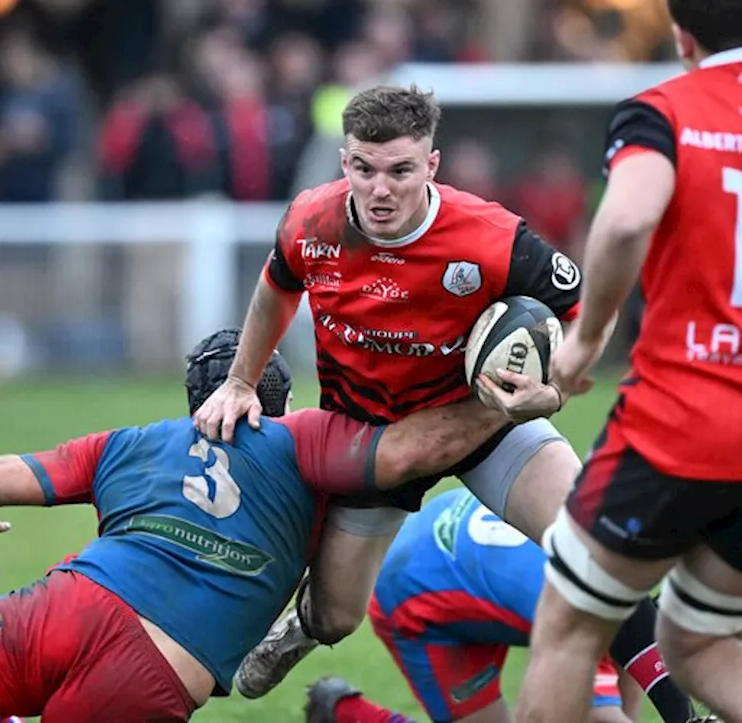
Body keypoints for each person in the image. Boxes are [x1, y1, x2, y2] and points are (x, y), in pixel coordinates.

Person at [0, 328, 563, 723]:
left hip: (59, 606)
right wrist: (513, 404)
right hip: (151, 666)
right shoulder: (308, 446)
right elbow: (407, 455)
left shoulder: (130, 441)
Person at [191, 83, 663, 702]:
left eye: (400, 170)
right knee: (337, 616)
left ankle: (690, 715)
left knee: (594, 553)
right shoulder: (312, 219)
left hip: (487, 422)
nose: (381, 188)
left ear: (431, 165)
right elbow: (277, 286)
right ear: (345, 162)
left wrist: (548, 394)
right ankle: (299, 630)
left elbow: (584, 318)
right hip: (371, 437)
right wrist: (239, 382)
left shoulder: (492, 236)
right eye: (364, 168)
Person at [515, 2, 742, 721]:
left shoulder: (664, 109)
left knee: (568, 627)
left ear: (682, 36)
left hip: (682, 425)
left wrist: (585, 341)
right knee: (697, 638)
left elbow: (629, 215)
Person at [303, 488, 703, 723]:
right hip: (416, 592)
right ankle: (349, 714)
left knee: (626, 635)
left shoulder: (614, 531)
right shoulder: (581, 595)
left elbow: (637, 647)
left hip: (458, 536)